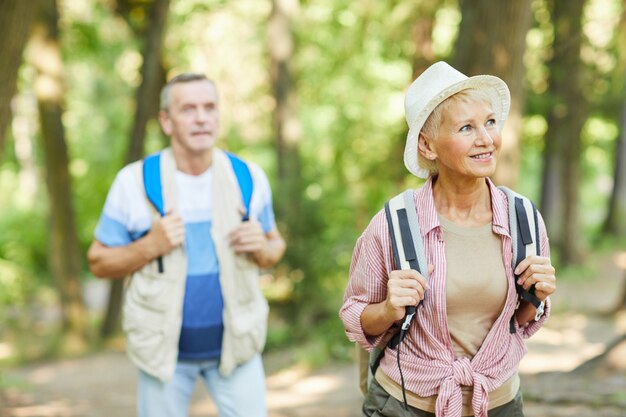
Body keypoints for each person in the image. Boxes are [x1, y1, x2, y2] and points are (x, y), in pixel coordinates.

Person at [339, 61, 557, 417]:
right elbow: (354, 315)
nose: (486, 139)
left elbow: (518, 322)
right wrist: (387, 310)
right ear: (427, 145)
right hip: (405, 405)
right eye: (466, 128)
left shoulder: (524, 218)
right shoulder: (393, 224)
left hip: (499, 403)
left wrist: (537, 296)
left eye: (489, 122)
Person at [88, 73, 286, 417]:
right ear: (166, 120)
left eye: (209, 108)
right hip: (162, 353)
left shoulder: (248, 177)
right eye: (188, 109)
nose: (201, 118)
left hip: (236, 348)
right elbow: (98, 262)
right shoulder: (133, 183)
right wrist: (150, 245)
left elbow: (274, 248)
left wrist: (261, 247)